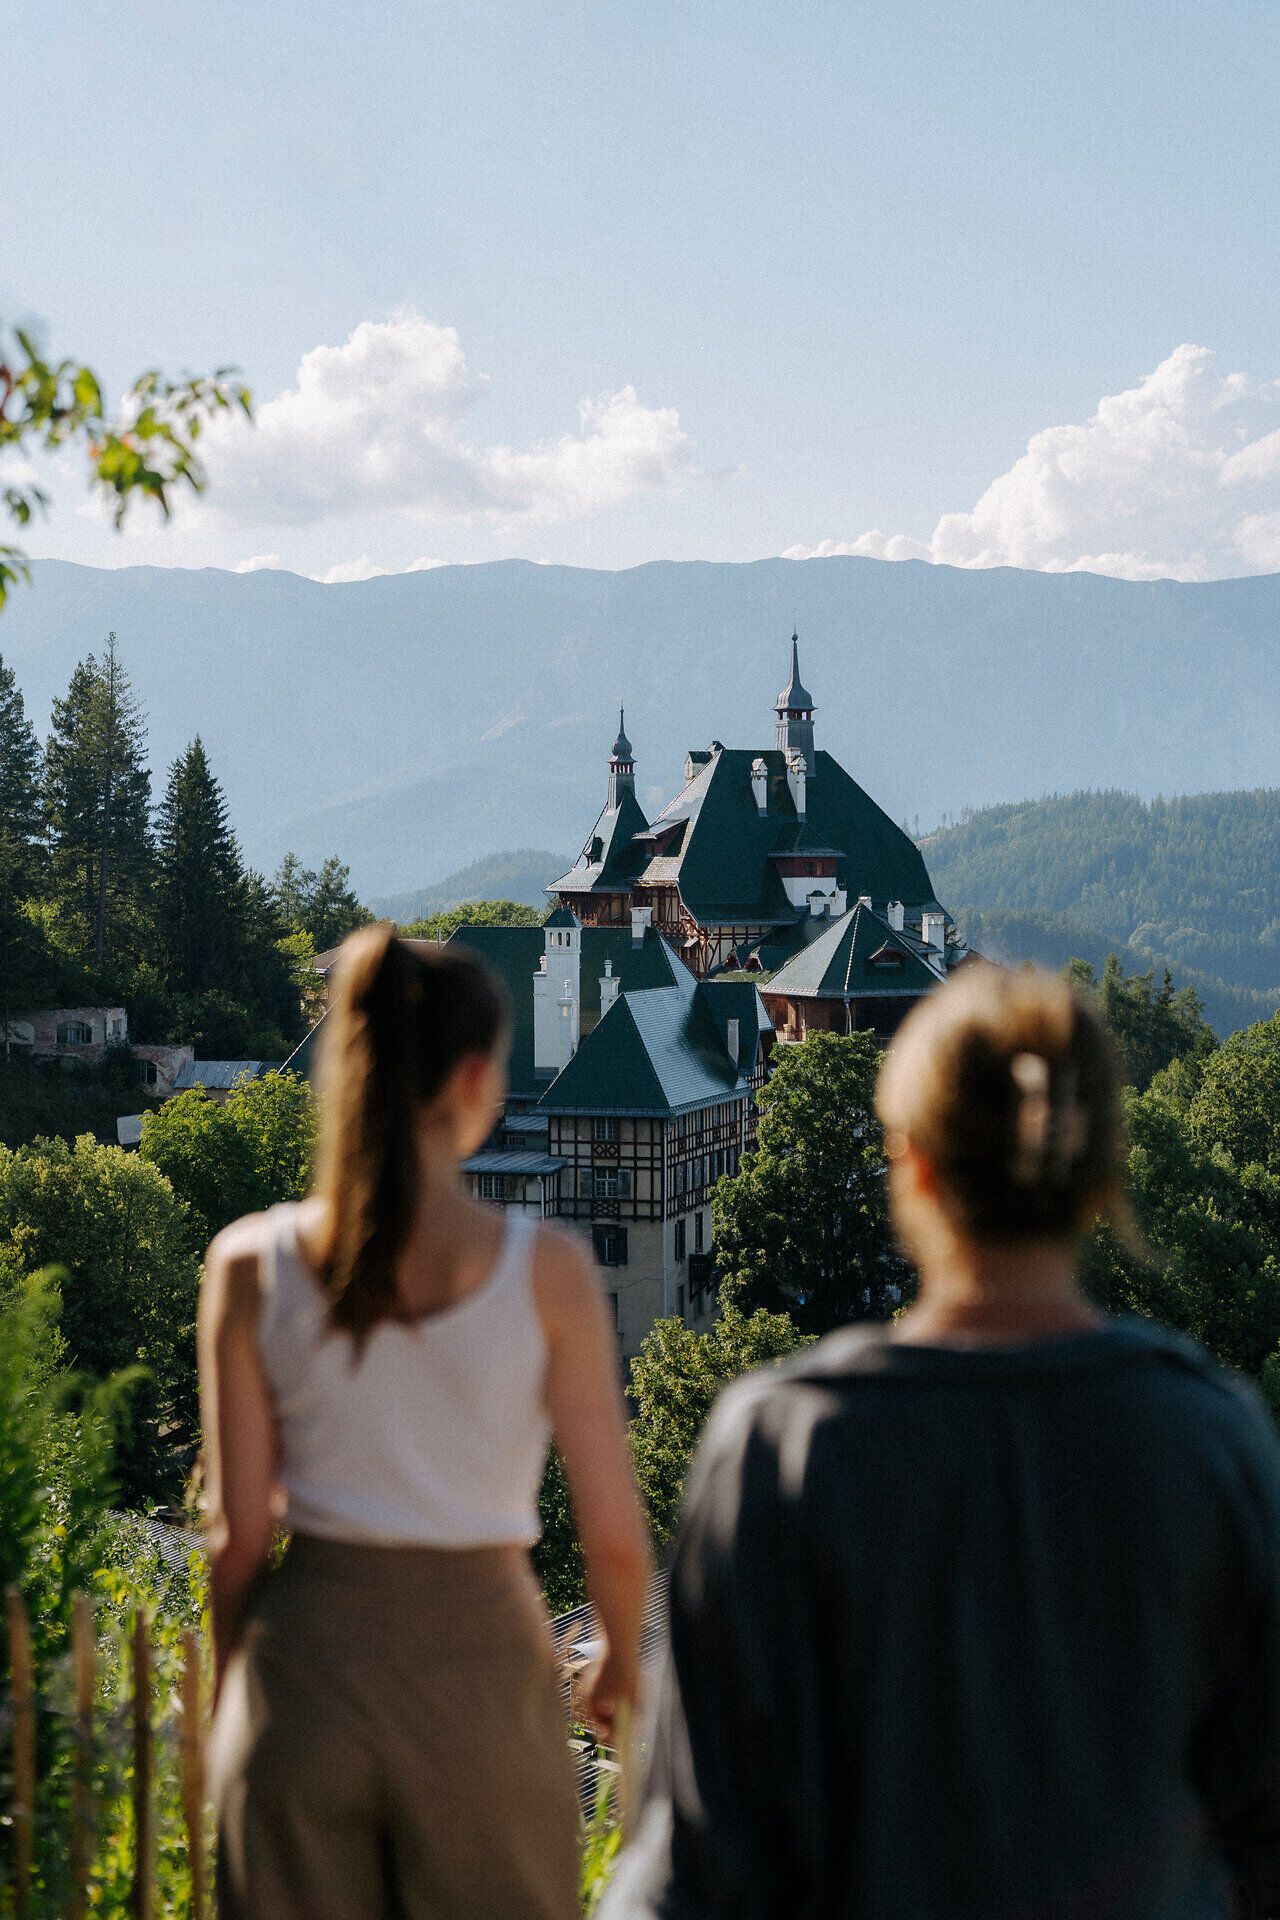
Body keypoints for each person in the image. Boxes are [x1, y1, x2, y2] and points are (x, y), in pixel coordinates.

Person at [603, 963, 1280, 1920]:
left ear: (911, 1162)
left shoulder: (783, 1448)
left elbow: (696, 1865)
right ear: (1101, 1176)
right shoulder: (1211, 1439)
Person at [200, 927, 651, 1920]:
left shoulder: (247, 1266)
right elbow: (615, 1538)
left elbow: (238, 1542)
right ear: (477, 1081)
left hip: (305, 1678)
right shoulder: (549, 1273)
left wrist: (241, 1699)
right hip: (481, 1686)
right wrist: (619, 1659)